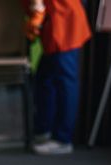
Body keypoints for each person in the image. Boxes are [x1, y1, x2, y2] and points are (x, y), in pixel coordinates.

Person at [25, 0, 91, 155]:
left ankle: (62, 139)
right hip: (55, 20)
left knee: (65, 79)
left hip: (63, 21)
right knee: (45, 78)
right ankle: (44, 130)